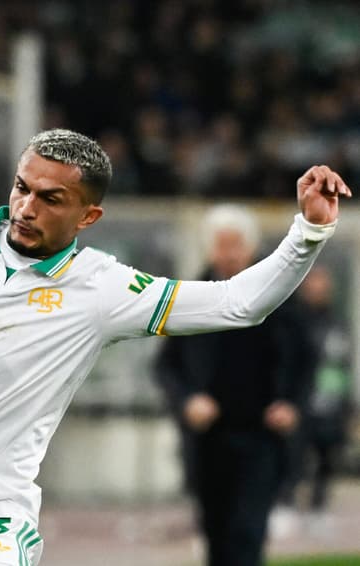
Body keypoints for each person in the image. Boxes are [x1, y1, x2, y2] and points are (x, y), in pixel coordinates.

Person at [0, 128, 350, 566]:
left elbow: (238, 303)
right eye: (22, 187)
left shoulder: (102, 288)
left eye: (51, 198)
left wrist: (307, 232)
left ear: (88, 217)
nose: (25, 207)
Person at [154, 204, 314, 566]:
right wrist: (188, 401)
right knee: (215, 531)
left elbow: (307, 360)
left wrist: (291, 403)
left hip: (262, 436)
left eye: (235, 246)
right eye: (220, 246)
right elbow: (166, 366)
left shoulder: (281, 297)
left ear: (251, 248)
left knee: (248, 529)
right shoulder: (191, 297)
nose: (227, 255)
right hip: (209, 438)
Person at [297, 264, 354, 517]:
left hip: (330, 404)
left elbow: (344, 365)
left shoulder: (337, 322)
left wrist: (348, 405)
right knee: (296, 456)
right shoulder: (295, 322)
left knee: (327, 457)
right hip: (301, 402)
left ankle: (319, 507)